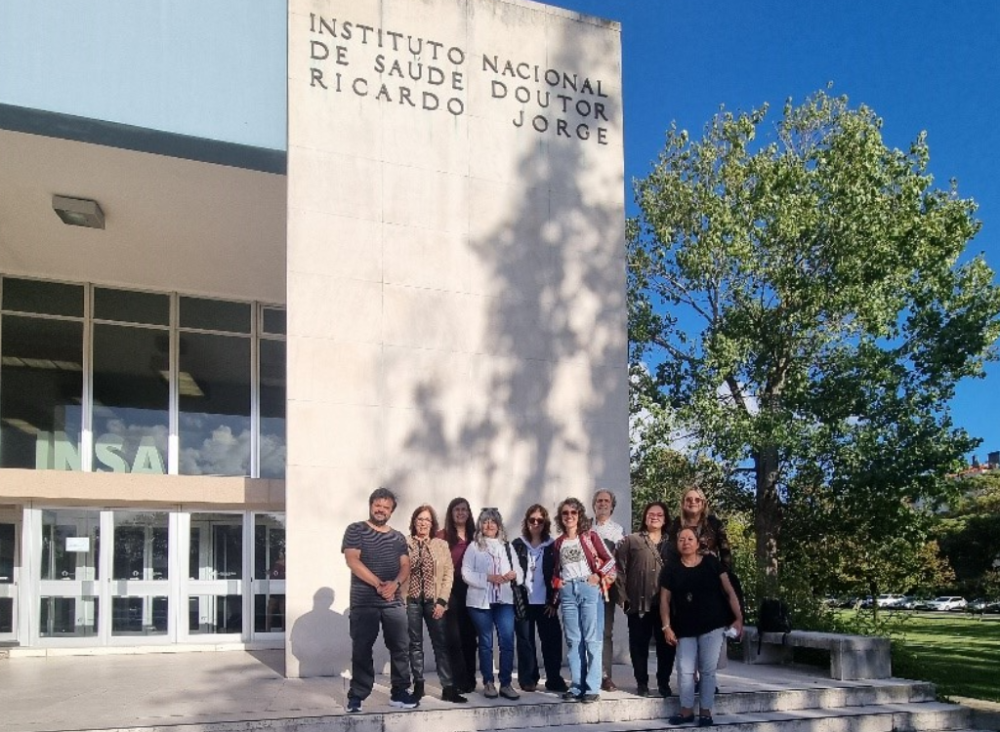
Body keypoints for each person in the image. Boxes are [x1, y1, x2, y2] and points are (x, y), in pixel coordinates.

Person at [341, 487, 419, 713]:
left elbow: (405, 565)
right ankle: (357, 695)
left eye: (386, 507)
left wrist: (394, 585)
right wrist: (378, 584)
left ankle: (400, 692)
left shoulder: (397, 537)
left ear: (391, 511)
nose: (381, 510)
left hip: (392, 601)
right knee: (362, 649)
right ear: (371, 505)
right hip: (364, 601)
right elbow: (352, 560)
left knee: (401, 647)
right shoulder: (356, 529)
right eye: (378, 505)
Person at [660, 527, 743, 727]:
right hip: (684, 627)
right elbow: (664, 600)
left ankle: (706, 712)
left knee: (707, 670)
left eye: (690, 539)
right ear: (677, 544)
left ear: (698, 543)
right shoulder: (671, 568)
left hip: (712, 625)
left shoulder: (712, 563)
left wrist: (738, 618)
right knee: (685, 669)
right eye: (681, 539)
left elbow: (730, 591)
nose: (685, 542)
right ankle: (686, 711)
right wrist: (666, 627)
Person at [550, 496, 616, 703]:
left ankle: (592, 687)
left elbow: (610, 560)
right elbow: (555, 571)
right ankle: (577, 685)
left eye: (573, 512)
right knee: (573, 640)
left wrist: (597, 576)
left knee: (591, 639)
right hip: (568, 591)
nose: (569, 516)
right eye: (565, 513)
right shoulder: (558, 543)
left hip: (588, 588)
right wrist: (557, 584)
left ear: (579, 515)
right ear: (561, 517)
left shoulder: (589, 536)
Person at [403, 505, 467, 704]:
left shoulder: (440, 544)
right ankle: (418, 685)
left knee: (441, 645)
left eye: (427, 520)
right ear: (414, 522)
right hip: (411, 602)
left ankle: (448, 687)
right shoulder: (404, 543)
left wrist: (442, 601)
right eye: (419, 519)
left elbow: (448, 574)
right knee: (414, 645)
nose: (423, 523)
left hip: (434, 602)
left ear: (432, 524)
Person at [461, 507, 525, 700]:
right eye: (485, 521)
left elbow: (519, 572)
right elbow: (466, 573)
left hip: (503, 601)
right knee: (486, 642)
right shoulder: (474, 547)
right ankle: (488, 682)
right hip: (481, 603)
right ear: (481, 525)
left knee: (506, 641)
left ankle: (505, 683)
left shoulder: (506, 546)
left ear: (499, 525)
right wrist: (488, 578)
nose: (489, 525)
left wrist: (514, 576)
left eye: (493, 521)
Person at [615, 501, 675, 697]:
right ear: (645, 517)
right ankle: (642, 683)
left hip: (666, 605)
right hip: (638, 603)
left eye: (659, 514)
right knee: (638, 645)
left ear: (665, 519)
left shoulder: (673, 544)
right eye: (651, 514)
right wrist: (622, 598)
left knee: (666, 646)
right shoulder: (631, 540)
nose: (655, 517)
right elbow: (619, 570)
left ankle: (663, 683)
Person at [512, 504, 568, 693]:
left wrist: (554, 602)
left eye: (540, 521)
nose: (535, 523)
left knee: (552, 641)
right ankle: (528, 678)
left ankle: (553, 678)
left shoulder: (553, 546)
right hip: (524, 602)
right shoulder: (517, 545)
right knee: (525, 641)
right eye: (532, 520)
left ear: (545, 523)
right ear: (526, 522)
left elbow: (559, 574)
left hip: (546, 603)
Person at [437, 497, 478, 693]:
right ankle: (458, 679)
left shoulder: (476, 536)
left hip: (473, 589)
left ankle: (470, 677)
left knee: (470, 636)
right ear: (451, 513)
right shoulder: (442, 536)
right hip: (451, 588)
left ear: (469, 513)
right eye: (457, 509)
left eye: (464, 509)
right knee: (453, 636)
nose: (460, 513)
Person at [591, 489, 625, 691]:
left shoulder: (618, 531)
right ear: (594, 505)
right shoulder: (585, 528)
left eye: (606, 501)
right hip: (586, 585)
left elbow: (618, 561)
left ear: (612, 506)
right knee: (586, 632)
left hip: (606, 588)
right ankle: (588, 673)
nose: (602, 504)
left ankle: (605, 676)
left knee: (605, 632)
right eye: (599, 501)